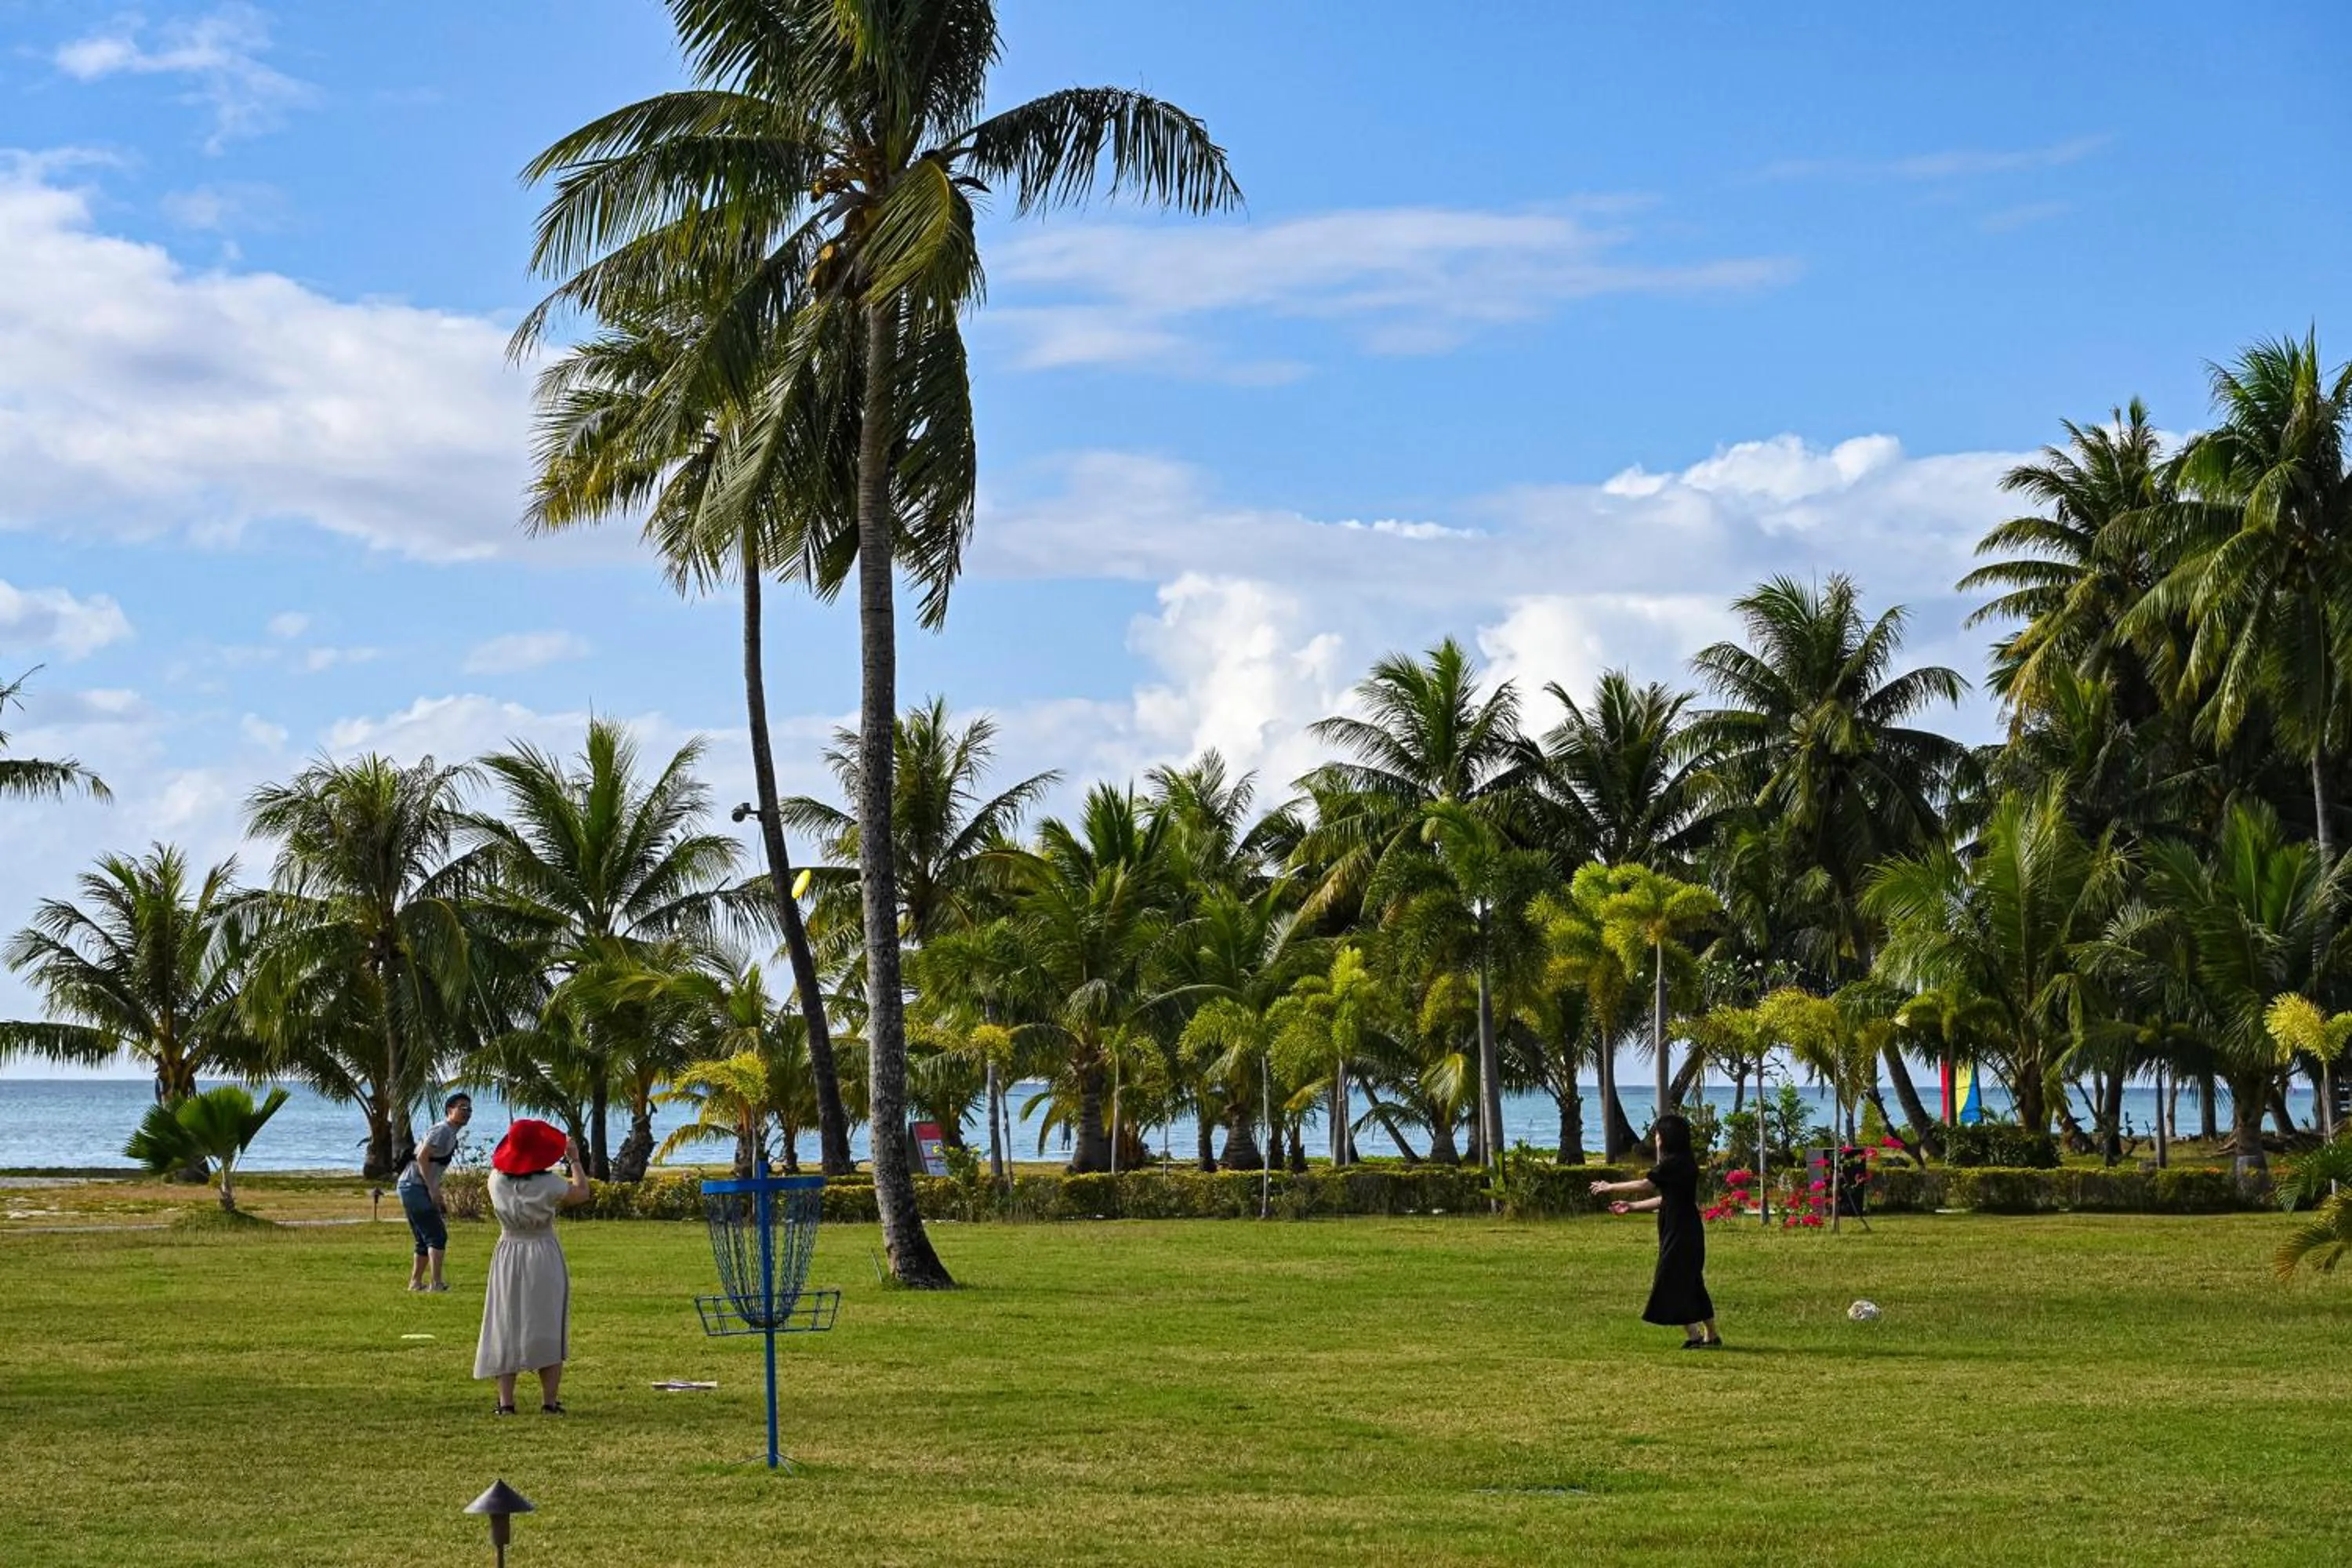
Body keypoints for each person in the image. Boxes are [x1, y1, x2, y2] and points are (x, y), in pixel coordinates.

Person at [474, 1119, 593, 1416]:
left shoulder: (495, 1181)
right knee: (548, 1322)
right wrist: (574, 1159)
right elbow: (581, 1193)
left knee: (505, 1322)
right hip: (542, 1250)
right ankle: (549, 1401)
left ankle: (506, 1402)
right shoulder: (549, 1184)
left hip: (508, 1250)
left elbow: (504, 1169)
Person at [1590, 1112, 1722, 1350]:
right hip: (1679, 1227)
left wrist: (1610, 1186)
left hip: (1682, 1230)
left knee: (1672, 1278)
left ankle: (1702, 1335)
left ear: (1668, 1137)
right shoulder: (1681, 1162)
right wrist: (1631, 1207)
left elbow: (1646, 1185)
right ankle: (1704, 1335)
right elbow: (1665, 1199)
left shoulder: (1675, 1164)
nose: (1657, 1137)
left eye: (1659, 1134)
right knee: (1688, 1281)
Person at [397, 1093, 472, 1292]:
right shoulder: (443, 1130)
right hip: (414, 1186)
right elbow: (422, 1157)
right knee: (437, 1235)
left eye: (469, 1109)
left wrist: (436, 1191)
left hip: (411, 1186)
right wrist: (432, 1189)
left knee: (424, 1237)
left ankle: (415, 1283)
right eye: (462, 1108)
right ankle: (436, 1283)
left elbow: (432, 1163)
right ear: (450, 1110)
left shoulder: (450, 1133)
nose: (467, 1112)